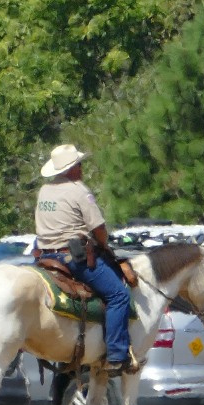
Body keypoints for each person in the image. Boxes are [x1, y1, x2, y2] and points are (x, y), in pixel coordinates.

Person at [34, 144, 133, 374]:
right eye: (79, 164)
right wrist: (104, 244)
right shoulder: (79, 190)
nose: (82, 168)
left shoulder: (44, 191)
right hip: (72, 258)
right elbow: (98, 229)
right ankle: (117, 355)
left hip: (45, 256)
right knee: (118, 294)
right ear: (70, 169)